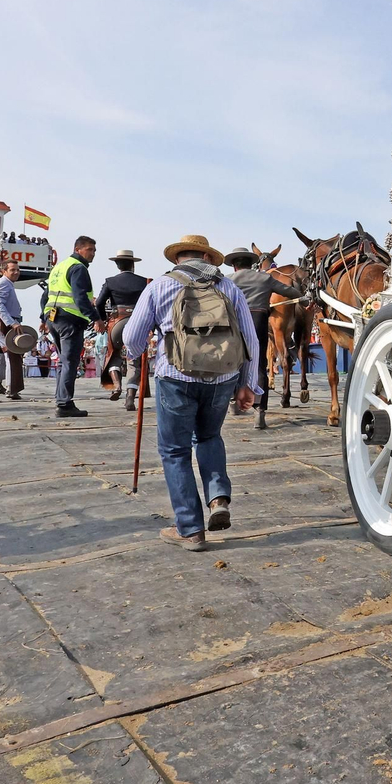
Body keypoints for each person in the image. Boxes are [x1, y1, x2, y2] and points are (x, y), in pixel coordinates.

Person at [123, 235, 259, 551]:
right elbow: (250, 341)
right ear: (207, 258)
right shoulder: (229, 288)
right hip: (222, 377)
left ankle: (190, 530)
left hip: (175, 377)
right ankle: (218, 499)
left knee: (174, 451)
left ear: (178, 260)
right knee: (210, 437)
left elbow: (131, 337)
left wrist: (141, 350)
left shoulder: (159, 286)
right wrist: (247, 384)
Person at [226, 246, 303, 430]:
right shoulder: (265, 278)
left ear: (235, 266)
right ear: (252, 264)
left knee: (232, 364)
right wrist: (305, 298)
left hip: (234, 324)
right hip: (258, 322)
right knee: (259, 366)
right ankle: (259, 413)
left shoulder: (227, 280)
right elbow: (288, 291)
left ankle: (233, 403)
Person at [41, 235, 106, 417]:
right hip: (70, 320)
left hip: (53, 318)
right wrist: (96, 318)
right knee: (70, 361)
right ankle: (64, 404)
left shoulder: (59, 267)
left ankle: (60, 397)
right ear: (78, 249)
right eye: (90, 250)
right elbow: (81, 298)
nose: (93, 254)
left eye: (94, 250)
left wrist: (42, 318)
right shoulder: (78, 268)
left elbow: (45, 296)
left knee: (64, 361)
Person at [97, 249, 151, 410]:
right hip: (137, 322)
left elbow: (99, 303)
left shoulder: (110, 281)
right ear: (133, 264)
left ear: (117, 265)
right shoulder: (144, 282)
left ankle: (116, 385)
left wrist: (102, 319)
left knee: (113, 356)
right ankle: (130, 397)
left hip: (116, 321)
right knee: (134, 360)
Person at [0, 259, 25, 400]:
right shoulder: (4, 283)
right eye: (12, 270)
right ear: (4, 271)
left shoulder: (5, 283)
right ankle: (12, 389)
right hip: (1, 322)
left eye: (17, 270)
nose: (16, 272)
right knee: (12, 354)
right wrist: (12, 323)